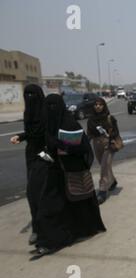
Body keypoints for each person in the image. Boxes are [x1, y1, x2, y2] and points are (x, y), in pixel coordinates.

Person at [29, 94, 106, 259]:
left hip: (71, 172)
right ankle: (47, 242)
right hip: (54, 173)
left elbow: (82, 149)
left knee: (77, 205)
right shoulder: (49, 125)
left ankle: (74, 233)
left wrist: (61, 145)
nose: (50, 110)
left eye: (53, 106)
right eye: (47, 106)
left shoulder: (70, 124)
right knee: (48, 207)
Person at [10, 84, 47, 245]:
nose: (30, 99)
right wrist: (21, 136)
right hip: (32, 155)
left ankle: (47, 227)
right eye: (27, 95)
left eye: (33, 95)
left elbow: (46, 132)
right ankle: (38, 227)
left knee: (46, 191)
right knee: (32, 192)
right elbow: (32, 133)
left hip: (47, 155)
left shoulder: (47, 111)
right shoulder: (28, 113)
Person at [87, 98, 120, 204]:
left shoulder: (110, 118)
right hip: (96, 144)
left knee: (104, 167)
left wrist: (109, 138)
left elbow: (115, 132)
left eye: (100, 104)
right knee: (104, 165)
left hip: (108, 144)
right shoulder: (91, 120)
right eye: (96, 104)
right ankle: (113, 181)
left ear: (104, 106)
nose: (98, 106)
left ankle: (102, 191)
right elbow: (89, 134)